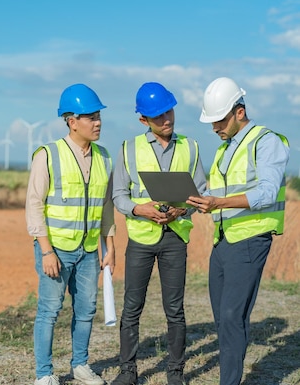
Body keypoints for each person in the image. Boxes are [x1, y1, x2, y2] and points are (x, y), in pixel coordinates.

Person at [186, 77, 289, 385]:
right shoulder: (225, 149)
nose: (215, 127)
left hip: (249, 240)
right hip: (224, 241)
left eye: (219, 120)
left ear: (239, 112)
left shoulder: (266, 141)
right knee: (224, 317)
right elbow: (212, 192)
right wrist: (186, 203)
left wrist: (219, 202)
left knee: (232, 316)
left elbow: (267, 192)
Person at [111, 82, 207, 385]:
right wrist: (141, 210)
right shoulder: (129, 149)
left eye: (169, 111)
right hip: (141, 237)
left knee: (175, 309)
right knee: (131, 307)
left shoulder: (191, 147)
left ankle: (176, 372)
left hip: (175, 238)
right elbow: (119, 195)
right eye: (158, 116)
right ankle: (128, 371)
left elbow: (201, 193)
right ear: (144, 121)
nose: (167, 119)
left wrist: (185, 210)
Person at [25, 83, 116, 385]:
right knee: (50, 311)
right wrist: (46, 250)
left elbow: (105, 206)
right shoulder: (48, 155)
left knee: (87, 310)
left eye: (99, 116)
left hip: (89, 249)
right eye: (91, 117)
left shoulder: (104, 157)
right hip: (57, 249)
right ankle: (44, 375)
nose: (98, 122)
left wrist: (110, 245)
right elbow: (34, 204)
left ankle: (80, 365)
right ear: (72, 120)